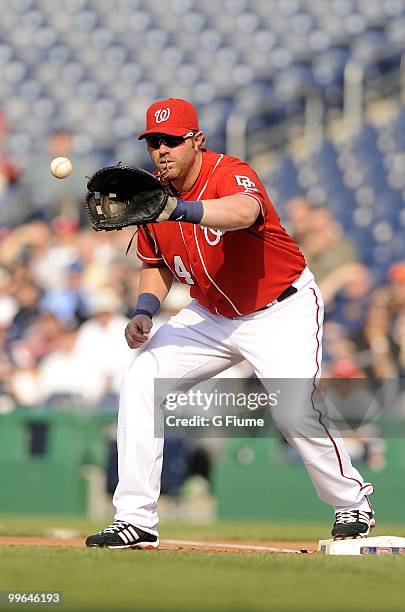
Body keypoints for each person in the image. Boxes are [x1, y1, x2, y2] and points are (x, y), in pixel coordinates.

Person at [86, 98, 374, 549]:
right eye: (154, 142)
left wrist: (178, 209)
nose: (162, 150)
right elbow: (156, 263)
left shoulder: (227, 172)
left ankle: (351, 501)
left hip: (279, 307)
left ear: (196, 140)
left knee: (293, 407)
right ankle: (136, 518)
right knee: (142, 377)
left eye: (172, 140)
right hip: (211, 314)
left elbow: (244, 213)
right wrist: (144, 310)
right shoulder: (154, 195)